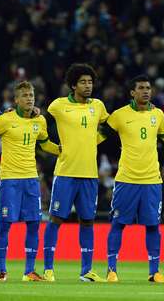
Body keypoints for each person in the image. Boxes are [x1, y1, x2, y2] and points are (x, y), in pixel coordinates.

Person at [103, 75, 164, 283]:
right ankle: (111, 270)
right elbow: (100, 136)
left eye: (148, 88)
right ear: (132, 93)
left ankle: (154, 272)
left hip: (152, 180)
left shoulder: (159, 115)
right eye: (141, 88)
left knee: (153, 225)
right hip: (126, 179)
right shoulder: (119, 115)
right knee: (118, 223)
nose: (146, 91)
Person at [42, 63, 109, 282]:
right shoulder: (58, 106)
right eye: (83, 82)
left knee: (88, 221)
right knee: (56, 219)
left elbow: (109, 127)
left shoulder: (98, 106)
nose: (88, 85)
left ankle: (86, 271)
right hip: (66, 173)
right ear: (73, 85)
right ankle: (48, 269)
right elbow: (40, 119)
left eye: (90, 81)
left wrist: (95, 141)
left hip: (89, 174)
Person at [0, 81, 60, 281]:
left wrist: (61, 150)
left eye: (31, 95)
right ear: (16, 100)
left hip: (31, 179)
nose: (30, 98)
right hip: (9, 179)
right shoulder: (5, 120)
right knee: (5, 224)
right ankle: (2, 270)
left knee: (33, 223)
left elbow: (45, 143)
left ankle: (29, 271)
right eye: (25, 95)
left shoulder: (40, 121)